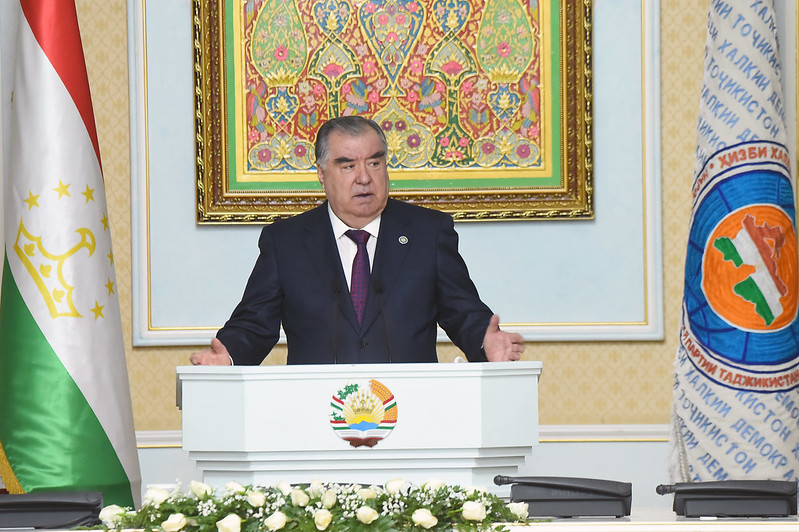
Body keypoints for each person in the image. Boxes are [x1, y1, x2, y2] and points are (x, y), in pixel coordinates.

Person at [190, 116, 524, 366]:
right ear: (322, 174)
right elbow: (254, 324)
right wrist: (228, 356)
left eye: (375, 163)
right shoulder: (286, 242)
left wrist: (486, 341)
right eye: (348, 166)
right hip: (315, 412)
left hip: (413, 411)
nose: (364, 177)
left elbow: (462, 311)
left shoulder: (428, 232)